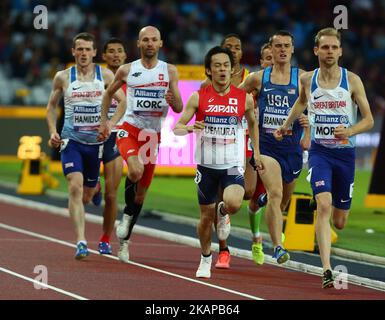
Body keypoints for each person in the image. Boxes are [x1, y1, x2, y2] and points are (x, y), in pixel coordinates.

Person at [274, 27, 374, 288]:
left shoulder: (352, 81)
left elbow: (369, 120)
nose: (329, 52)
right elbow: (300, 103)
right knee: (324, 204)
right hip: (320, 153)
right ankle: (327, 269)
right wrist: (286, 126)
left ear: (340, 51)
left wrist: (350, 130)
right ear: (316, 50)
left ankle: (327, 225)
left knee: (339, 221)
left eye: (334, 47)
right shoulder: (307, 79)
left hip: (345, 156)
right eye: (325, 47)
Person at [174, 46, 262, 278]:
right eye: (217, 66)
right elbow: (178, 127)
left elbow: (252, 124)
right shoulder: (198, 97)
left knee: (233, 203)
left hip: (232, 163)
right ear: (208, 71)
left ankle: (223, 211)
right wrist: (191, 127)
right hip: (206, 165)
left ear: (232, 70)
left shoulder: (244, 99)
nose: (222, 70)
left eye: (226, 65)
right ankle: (205, 258)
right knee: (204, 218)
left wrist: (257, 152)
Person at [98, 26, 183, 263]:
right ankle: (124, 225)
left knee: (140, 196)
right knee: (135, 170)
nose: (149, 43)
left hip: (152, 135)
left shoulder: (170, 71)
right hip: (130, 129)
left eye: (153, 40)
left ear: (160, 44)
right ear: (138, 44)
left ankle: (125, 236)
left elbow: (178, 107)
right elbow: (108, 95)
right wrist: (105, 121)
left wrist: (172, 99)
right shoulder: (127, 70)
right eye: (145, 40)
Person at [46, 32, 125, 259]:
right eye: (79, 49)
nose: (83, 53)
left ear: (94, 53)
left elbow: (123, 102)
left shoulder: (106, 75)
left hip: (96, 145)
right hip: (71, 142)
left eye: (87, 49)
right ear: (73, 52)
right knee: (74, 188)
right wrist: (53, 131)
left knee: (87, 197)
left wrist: (109, 123)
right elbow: (51, 107)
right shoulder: (62, 77)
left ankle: (95, 187)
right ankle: (80, 241)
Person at [239, 30, 310, 265]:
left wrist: (308, 126)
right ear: (271, 47)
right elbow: (233, 98)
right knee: (275, 194)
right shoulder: (258, 78)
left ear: (292, 49)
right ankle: (278, 247)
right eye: (277, 45)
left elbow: (318, 104)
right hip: (267, 147)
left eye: (286, 45)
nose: (281, 49)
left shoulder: (302, 79)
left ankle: (263, 202)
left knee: (282, 202)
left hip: (293, 150)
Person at [201, 34, 254, 270]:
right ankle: (223, 248)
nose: (233, 50)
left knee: (247, 193)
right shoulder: (208, 84)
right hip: (215, 150)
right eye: (228, 47)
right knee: (216, 198)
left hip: (242, 144)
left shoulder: (251, 79)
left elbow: (254, 114)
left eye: (237, 47)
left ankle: (228, 213)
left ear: (240, 54)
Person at [97, 38, 127, 254]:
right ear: (104, 57)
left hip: (116, 137)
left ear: (125, 56)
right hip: (92, 135)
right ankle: (93, 186)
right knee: (86, 192)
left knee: (111, 194)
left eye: (120, 51)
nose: (116, 55)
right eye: (111, 52)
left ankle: (105, 238)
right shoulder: (96, 78)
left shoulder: (134, 80)